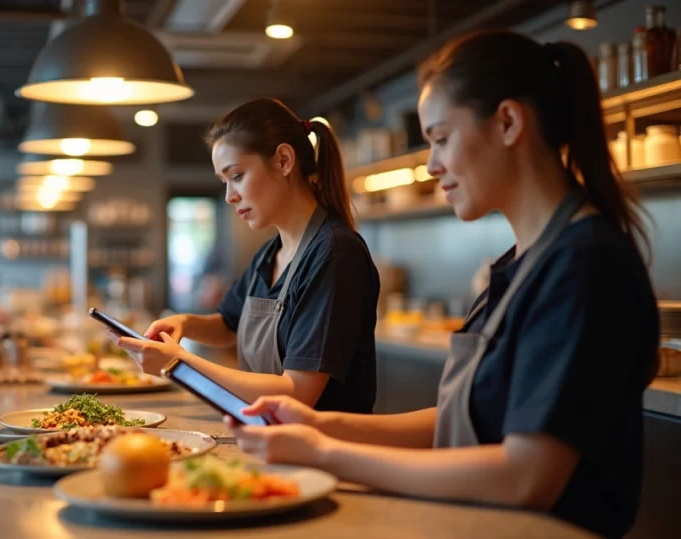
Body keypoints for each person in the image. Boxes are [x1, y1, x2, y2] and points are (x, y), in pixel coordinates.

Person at [226, 31, 659, 539]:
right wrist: (316, 424)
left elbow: (526, 477)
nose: (431, 165)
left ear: (507, 122)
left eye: (440, 138)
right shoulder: (524, 262)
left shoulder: (584, 266)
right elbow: (460, 419)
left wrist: (328, 454)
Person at [109, 98, 380, 412]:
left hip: (322, 455)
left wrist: (182, 363)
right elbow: (229, 325)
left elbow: (298, 391)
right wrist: (183, 322)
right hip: (273, 442)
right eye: (224, 182)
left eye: (236, 176)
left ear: (283, 160)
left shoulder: (334, 254)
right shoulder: (271, 253)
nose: (229, 196)